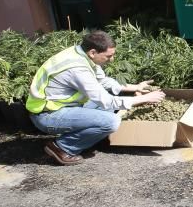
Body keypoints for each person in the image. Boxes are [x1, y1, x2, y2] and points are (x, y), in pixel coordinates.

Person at [27, 30, 164, 165]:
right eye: (109, 56)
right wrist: (144, 99)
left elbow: (102, 81)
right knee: (111, 121)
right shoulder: (77, 69)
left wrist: (134, 87)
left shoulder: (82, 55)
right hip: (48, 115)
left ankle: (88, 137)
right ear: (93, 52)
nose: (112, 60)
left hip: (66, 107)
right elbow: (107, 101)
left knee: (111, 108)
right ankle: (62, 147)